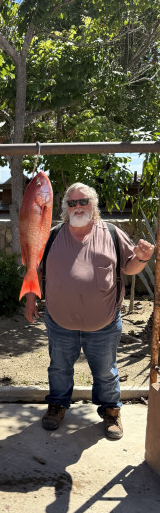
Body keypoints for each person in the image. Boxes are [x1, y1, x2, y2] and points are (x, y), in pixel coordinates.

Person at [25, 182, 155, 440]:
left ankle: (111, 411)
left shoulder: (112, 233)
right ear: (65, 208)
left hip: (104, 324)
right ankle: (57, 405)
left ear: (93, 204)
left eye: (83, 201)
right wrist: (31, 300)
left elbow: (129, 267)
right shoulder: (51, 236)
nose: (78, 206)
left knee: (106, 372)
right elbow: (34, 271)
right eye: (72, 203)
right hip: (60, 321)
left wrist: (141, 257)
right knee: (59, 369)